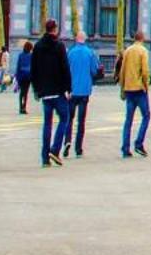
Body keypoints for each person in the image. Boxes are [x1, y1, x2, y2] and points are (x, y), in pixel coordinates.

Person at [30, 19, 71, 167]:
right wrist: (68, 88)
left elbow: (33, 69)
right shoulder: (59, 46)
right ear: (55, 29)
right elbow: (65, 68)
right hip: (58, 90)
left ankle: (44, 157)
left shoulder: (38, 46)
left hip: (45, 92)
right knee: (64, 118)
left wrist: (36, 89)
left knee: (47, 123)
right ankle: (55, 149)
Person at [63, 30, 98, 157]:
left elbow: (65, 70)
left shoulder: (70, 53)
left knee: (69, 119)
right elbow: (94, 71)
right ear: (85, 39)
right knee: (81, 121)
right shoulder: (90, 53)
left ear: (76, 39)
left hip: (72, 90)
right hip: (84, 91)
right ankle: (78, 148)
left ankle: (67, 141)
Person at [118, 29, 151, 158]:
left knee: (128, 120)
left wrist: (122, 88)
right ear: (142, 39)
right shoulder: (143, 51)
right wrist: (146, 86)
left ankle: (125, 148)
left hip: (128, 89)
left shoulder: (127, 51)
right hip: (139, 89)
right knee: (146, 116)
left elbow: (122, 71)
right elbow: (144, 71)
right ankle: (139, 143)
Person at [14, 39, 33, 114]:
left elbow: (18, 66)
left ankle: (20, 107)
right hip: (28, 76)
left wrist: (17, 76)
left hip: (21, 76)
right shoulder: (31, 56)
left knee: (22, 92)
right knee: (26, 93)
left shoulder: (20, 55)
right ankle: (24, 107)